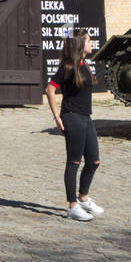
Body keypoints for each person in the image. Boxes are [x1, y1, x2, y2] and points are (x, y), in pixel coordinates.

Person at [44, 29, 105, 221]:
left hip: (86, 118)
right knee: (74, 163)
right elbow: (50, 89)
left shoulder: (83, 63)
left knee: (94, 161)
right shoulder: (68, 67)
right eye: (88, 40)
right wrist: (57, 117)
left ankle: (83, 198)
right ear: (80, 44)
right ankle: (72, 206)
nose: (92, 43)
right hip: (72, 118)